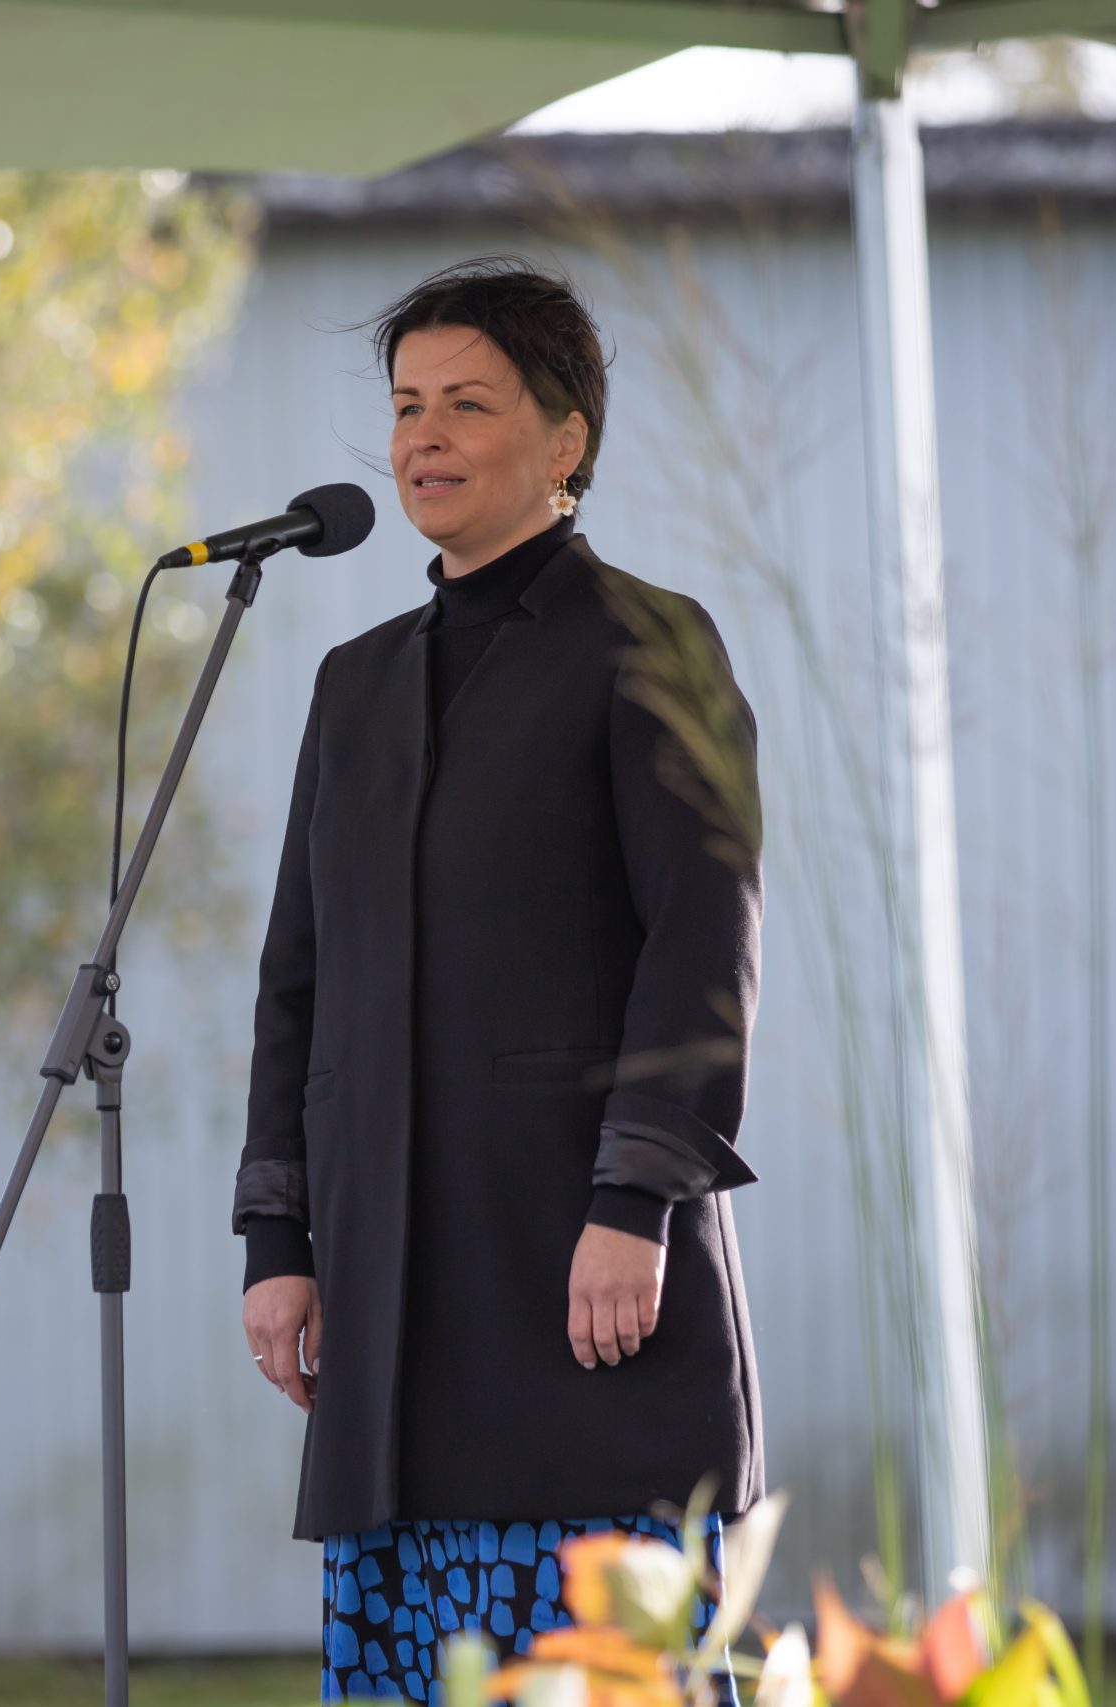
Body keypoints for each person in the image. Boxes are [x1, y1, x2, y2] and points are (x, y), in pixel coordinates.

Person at [232, 260, 764, 1703]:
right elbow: (296, 982)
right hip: (390, 1290)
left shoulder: (651, 642)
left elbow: (704, 945)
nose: (424, 436)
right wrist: (276, 1235)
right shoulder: (354, 683)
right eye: (407, 405)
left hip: (574, 1270)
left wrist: (633, 1203)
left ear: (566, 437)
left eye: (466, 403)